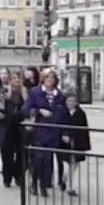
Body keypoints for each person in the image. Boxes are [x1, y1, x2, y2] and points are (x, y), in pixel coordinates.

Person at [22, 67, 67, 196]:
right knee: (38, 158)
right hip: (39, 130)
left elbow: (63, 114)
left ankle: (43, 185)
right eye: (47, 77)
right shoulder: (35, 92)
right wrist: (38, 111)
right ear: (43, 79)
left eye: (52, 78)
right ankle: (34, 183)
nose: (49, 80)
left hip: (53, 131)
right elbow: (25, 108)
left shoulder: (59, 95)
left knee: (48, 159)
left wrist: (64, 132)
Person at [0, 68, 25, 188]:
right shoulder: (3, 92)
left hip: (20, 127)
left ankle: (18, 175)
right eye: (14, 79)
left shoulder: (24, 93)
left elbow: (28, 107)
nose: (16, 81)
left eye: (18, 79)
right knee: (6, 155)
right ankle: (7, 178)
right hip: (6, 126)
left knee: (21, 154)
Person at [56, 93, 91, 196]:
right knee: (70, 163)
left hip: (77, 142)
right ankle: (67, 183)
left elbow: (84, 129)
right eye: (69, 100)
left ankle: (66, 182)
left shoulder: (80, 113)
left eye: (73, 101)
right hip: (64, 142)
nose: (71, 103)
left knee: (74, 164)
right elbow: (59, 124)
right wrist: (63, 135)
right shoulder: (62, 112)